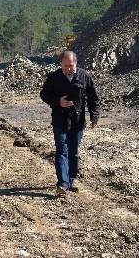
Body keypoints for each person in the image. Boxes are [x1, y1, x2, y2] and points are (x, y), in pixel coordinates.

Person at [39, 50, 100, 196]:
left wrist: (94, 116)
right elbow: (44, 94)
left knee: (73, 152)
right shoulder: (54, 77)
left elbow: (93, 98)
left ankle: (71, 180)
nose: (68, 69)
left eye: (71, 65)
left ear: (76, 63)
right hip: (59, 120)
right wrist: (58, 101)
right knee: (62, 151)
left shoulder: (84, 76)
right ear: (61, 64)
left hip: (77, 122)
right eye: (65, 66)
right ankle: (62, 184)